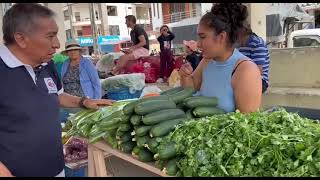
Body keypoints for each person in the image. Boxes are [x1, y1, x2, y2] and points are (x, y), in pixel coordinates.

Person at [0, 3, 113, 177]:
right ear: (21, 39)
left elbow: (57, 95)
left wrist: (82, 101)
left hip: (55, 167)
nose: (57, 44)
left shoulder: (47, 64)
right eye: (50, 36)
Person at [179, 3, 262, 113]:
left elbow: (247, 123)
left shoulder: (246, 70)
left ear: (221, 37)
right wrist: (185, 76)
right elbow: (191, 89)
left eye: (203, 37)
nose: (198, 44)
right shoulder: (207, 61)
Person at [237, 22, 270, 93]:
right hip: (241, 78)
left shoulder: (257, 43)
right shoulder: (238, 45)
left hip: (259, 81)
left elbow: (257, 71)